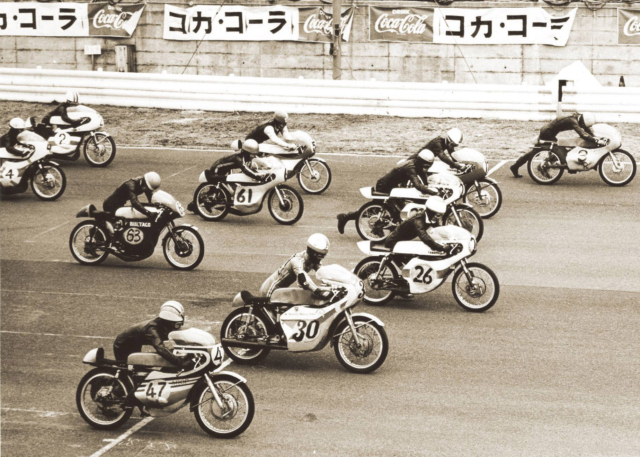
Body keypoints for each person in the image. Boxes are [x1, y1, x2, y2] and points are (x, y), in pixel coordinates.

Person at [336, 149, 438, 235]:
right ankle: (346, 217)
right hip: (385, 186)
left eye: (428, 166)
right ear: (420, 162)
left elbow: (423, 178)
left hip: (395, 187)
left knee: (395, 209)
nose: (426, 169)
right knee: (378, 210)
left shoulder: (417, 165)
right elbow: (417, 184)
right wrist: (433, 192)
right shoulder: (411, 167)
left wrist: (431, 187)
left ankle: (379, 227)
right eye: (425, 166)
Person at [510, 112, 606, 178]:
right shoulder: (572, 121)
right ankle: (541, 167)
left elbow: (586, 129)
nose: (584, 126)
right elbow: (583, 134)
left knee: (547, 150)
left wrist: (595, 137)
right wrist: (595, 140)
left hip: (549, 131)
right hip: (547, 132)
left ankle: (516, 166)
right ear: (583, 121)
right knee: (552, 151)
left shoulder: (577, 117)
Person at [186, 139, 272, 213]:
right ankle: (196, 204)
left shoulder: (245, 157)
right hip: (218, 170)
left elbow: (253, 164)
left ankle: (196, 205)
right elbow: (246, 170)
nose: (254, 156)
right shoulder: (239, 159)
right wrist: (258, 177)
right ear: (247, 152)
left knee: (229, 187)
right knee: (219, 190)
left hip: (225, 169)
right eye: (252, 154)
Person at [113, 301, 190, 367]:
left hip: (134, 344)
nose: (178, 327)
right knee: (127, 369)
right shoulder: (152, 329)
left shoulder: (162, 325)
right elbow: (160, 348)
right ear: (169, 322)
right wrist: (179, 363)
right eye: (177, 325)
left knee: (138, 367)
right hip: (123, 345)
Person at [258, 233, 332, 298]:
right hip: (269, 291)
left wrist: (334, 284)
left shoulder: (313, 260)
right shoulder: (297, 261)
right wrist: (317, 291)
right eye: (320, 256)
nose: (322, 259)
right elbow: (304, 280)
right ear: (313, 253)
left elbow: (324, 274)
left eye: (323, 256)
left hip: (280, 292)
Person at [384, 196, 453, 254]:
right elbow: (424, 236)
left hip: (405, 241)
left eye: (440, 215)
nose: (439, 218)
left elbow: (438, 229)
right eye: (438, 215)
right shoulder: (418, 219)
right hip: (394, 242)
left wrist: (449, 237)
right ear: (431, 212)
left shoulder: (429, 217)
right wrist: (441, 247)